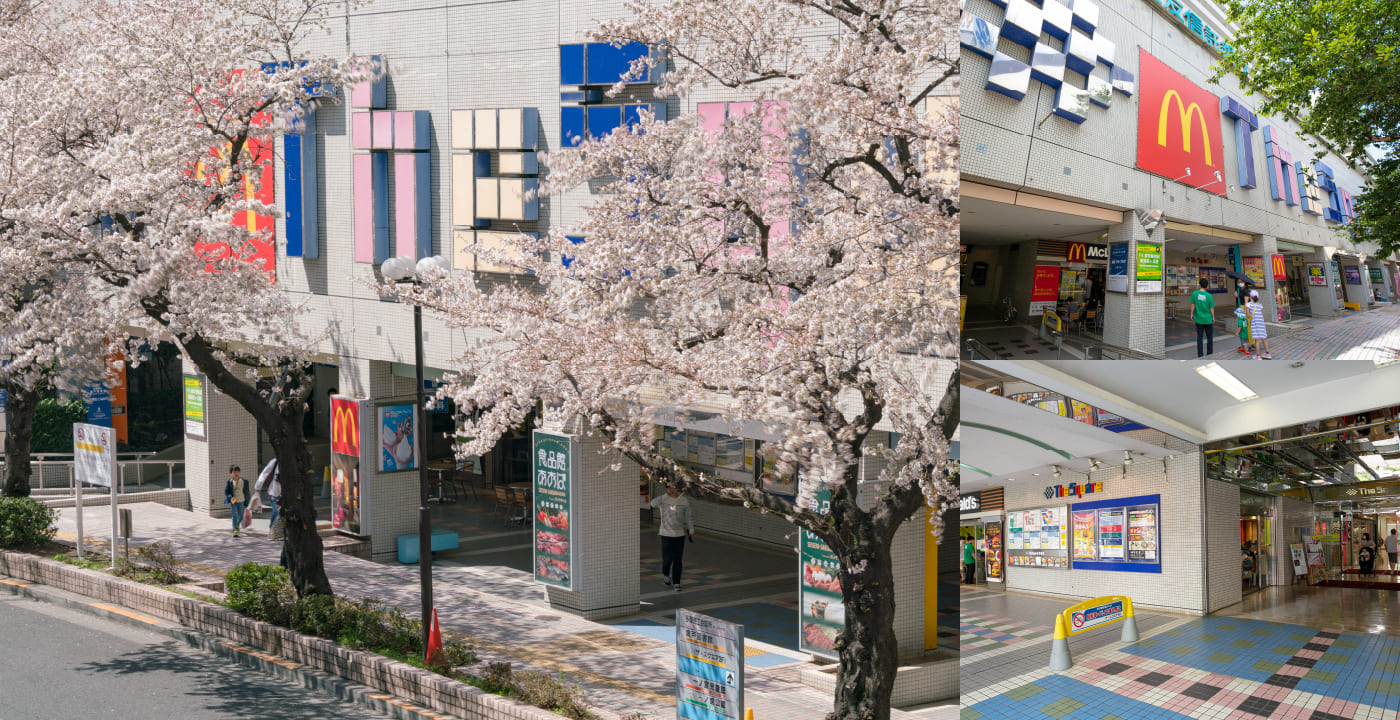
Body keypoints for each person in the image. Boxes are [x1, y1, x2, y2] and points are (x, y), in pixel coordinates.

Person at [649, 484, 695, 591]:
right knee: (667, 560)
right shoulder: (663, 500)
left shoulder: (684, 501)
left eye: (673, 487)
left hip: (679, 535)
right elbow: (652, 503)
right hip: (665, 534)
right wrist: (666, 495)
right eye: (668, 487)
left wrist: (691, 530)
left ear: (678, 489)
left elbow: (688, 517)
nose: (671, 489)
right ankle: (665, 573)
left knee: (678, 560)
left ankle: (677, 583)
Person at [1236, 290, 1270, 359]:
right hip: (1261, 323)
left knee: (1257, 340)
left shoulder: (1249, 304)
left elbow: (1247, 314)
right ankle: (1267, 353)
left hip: (1255, 324)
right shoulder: (1259, 305)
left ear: (1250, 297)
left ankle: (1258, 356)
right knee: (1264, 339)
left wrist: (1246, 302)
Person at [255, 458, 282, 541]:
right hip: (273, 492)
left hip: (285, 494)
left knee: (282, 512)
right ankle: (271, 529)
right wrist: (258, 486)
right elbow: (265, 473)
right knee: (276, 511)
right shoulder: (275, 461)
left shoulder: (292, 461)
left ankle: (280, 532)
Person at [1190, 278, 1215, 357]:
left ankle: (1200, 354)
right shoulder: (1209, 295)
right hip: (1208, 319)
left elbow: (1192, 304)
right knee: (1209, 337)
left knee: (1199, 337)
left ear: (1199, 285)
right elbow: (1211, 307)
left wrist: (1191, 313)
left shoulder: (1195, 293)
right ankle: (1209, 353)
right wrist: (1213, 317)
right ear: (1207, 286)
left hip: (1199, 319)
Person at [223, 465, 250, 538]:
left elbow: (247, 492)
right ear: (231, 473)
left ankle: (237, 525)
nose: (236, 473)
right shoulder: (229, 482)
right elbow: (226, 492)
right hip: (234, 502)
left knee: (240, 516)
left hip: (242, 500)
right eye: (234, 472)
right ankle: (235, 530)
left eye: (237, 471)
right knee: (235, 515)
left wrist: (249, 502)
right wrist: (230, 497)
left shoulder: (244, 481)